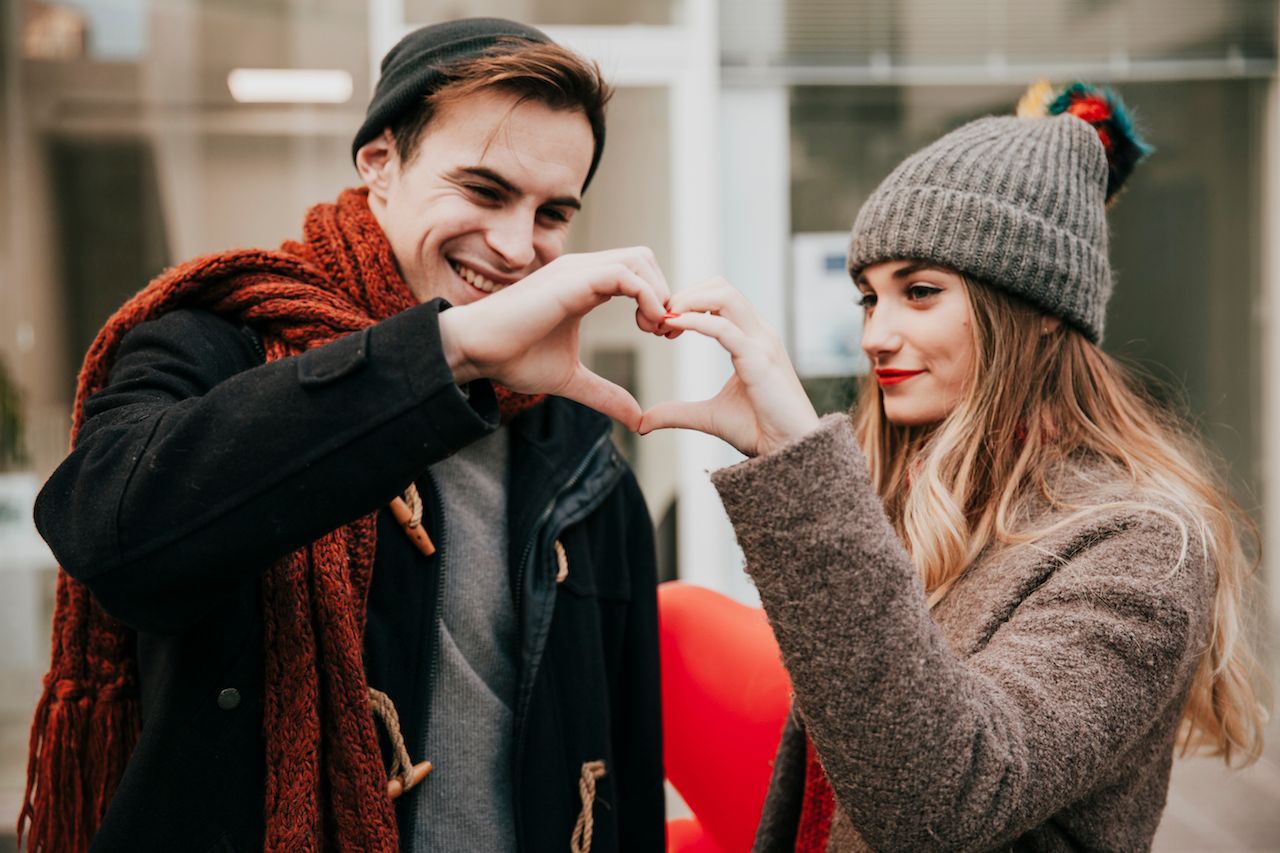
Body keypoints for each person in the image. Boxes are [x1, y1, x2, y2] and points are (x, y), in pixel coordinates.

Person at [20, 18, 667, 853]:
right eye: (482, 189)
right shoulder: (218, 339)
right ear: (380, 163)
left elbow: (626, 773)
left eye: (552, 213)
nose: (515, 246)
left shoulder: (579, 451)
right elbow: (107, 534)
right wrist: (448, 351)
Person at [641, 82, 1267, 851]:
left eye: (921, 292)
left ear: (1040, 310)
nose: (876, 333)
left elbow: (941, 800)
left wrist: (801, 469)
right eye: (871, 297)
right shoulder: (920, 494)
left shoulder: (1142, 544)